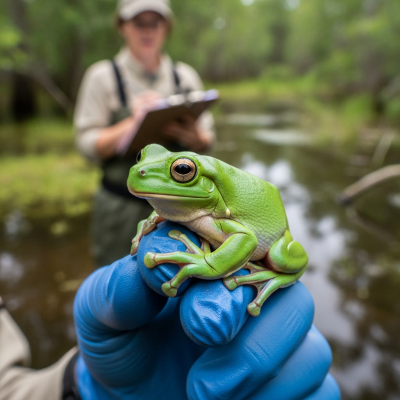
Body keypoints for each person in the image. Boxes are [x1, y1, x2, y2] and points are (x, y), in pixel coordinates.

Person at [0, 222, 341, 400]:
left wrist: (68, 386)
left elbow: (248, 240)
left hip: (266, 241)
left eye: (181, 172)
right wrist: (86, 389)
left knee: (280, 262)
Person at [73, 0, 215, 268]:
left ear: (166, 27)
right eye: (139, 22)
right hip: (119, 208)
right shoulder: (102, 77)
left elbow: (208, 138)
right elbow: (86, 145)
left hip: (181, 209)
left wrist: (197, 138)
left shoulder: (184, 77)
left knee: (178, 281)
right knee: (118, 291)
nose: (147, 31)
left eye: (155, 22)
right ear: (122, 27)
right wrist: (133, 122)